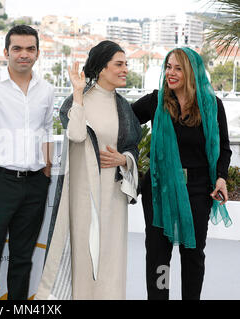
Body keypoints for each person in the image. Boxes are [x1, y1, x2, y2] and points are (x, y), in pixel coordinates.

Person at [36, 40, 141, 300]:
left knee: (110, 261)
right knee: (84, 259)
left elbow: (130, 148)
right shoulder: (76, 101)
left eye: (126, 64)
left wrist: (124, 160)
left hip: (114, 198)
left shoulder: (124, 108)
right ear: (102, 68)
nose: (125, 69)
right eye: (119, 64)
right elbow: (76, 133)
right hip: (84, 197)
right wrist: (79, 93)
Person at [131, 47, 232, 300]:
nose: (170, 73)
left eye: (177, 68)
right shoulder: (157, 101)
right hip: (160, 189)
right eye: (168, 67)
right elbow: (123, 120)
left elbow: (224, 149)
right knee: (158, 254)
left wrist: (221, 177)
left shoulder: (212, 106)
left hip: (198, 190)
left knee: (193, 253)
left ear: (191, 71)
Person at [0, 25, 54, 300]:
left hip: (35, 185)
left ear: (37, 53)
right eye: (17, 48)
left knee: (22, 261)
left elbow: (47, 129)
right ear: (6, 52)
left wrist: (46, 171)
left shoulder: (47, 90)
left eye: (30, 49)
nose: (24, 54)